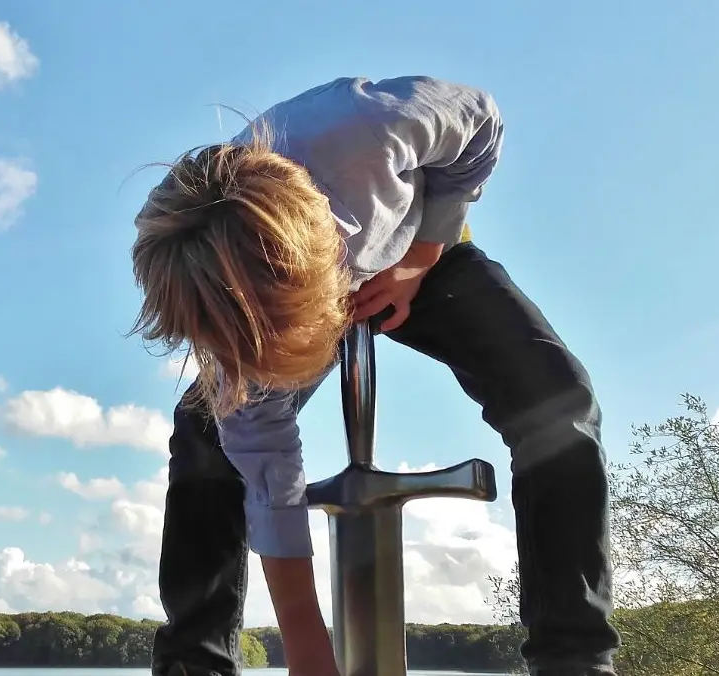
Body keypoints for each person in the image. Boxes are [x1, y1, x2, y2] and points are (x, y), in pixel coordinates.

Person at [129, 76, 621, 676]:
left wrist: (422, 257)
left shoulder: (369, 128)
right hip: (275, 295)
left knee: (558, 401)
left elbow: (481, 123)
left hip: (415, 245)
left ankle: (574, 660)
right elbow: (269, 474)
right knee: (206, 431)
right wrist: (310, 654)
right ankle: (194, 664)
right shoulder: (222, 301)